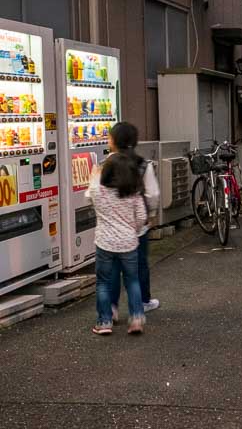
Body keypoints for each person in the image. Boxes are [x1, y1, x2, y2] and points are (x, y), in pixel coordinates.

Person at [87, 141, 147, 335]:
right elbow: (142, 218)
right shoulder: (133, 194)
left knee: (103, 282)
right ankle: (136, 318)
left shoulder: (97, 191)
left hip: (104, 243)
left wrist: (95, 176)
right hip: (128, 243)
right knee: (132, 281)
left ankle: (104, 322)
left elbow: (88, 197)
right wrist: (132, 230)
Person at [106, 122, 161, 319]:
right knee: (139, 267)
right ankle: (142, 304)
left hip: (111, 228)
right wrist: (152, 215)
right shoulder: (143, 165)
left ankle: (112, 308)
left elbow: (94, 194)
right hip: (138, 227)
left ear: (113, 142)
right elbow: (153, 194)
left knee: (113, 269)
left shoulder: (106, 165)